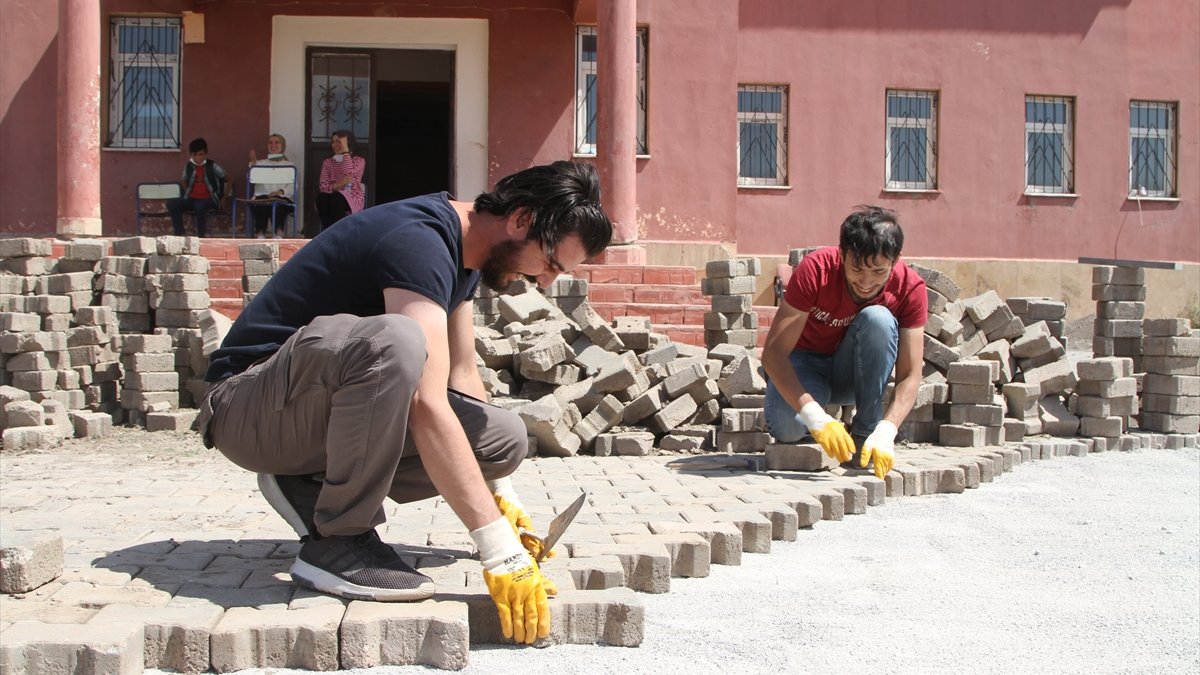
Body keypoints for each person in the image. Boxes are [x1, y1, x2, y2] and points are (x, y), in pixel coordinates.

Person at [196, 160, 612, 645]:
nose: (544, 282)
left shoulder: (465, 258)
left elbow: (460, 377)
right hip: (247, 409)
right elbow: (426, 402)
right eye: (551, 263)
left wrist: (501, 498)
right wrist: (498, 547)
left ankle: (306, 481)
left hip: (302, 411)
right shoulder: (418, 239)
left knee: (503, 439)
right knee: (396, 341)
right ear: (521, 220)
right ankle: (337, 542)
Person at [761, 205, 927, 480]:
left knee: (878, 319)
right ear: (841, 255)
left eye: (877, 272)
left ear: (895, 261)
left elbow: (910, 374)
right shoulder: (817, 269)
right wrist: (815, 416)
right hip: (806, 364)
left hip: (855, 374)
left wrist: (888, 429)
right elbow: (774, 354)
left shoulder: (909, 288)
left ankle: (865, 433)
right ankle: (822, 414)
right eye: (856, 268)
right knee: (787, 429)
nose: (865, 282)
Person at [167, 137, 227, 238]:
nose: (198, 158)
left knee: (199, 205)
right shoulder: (189, 166)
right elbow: (183, 179)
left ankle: (201, 237)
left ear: (205, 154)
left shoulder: (212, 165)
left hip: (210, 199)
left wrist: (223, 198)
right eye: (194, 155)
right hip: (193, 199)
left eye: (200, 155)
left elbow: (229, 179)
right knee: (172, 204)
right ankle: (180, 234)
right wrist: (188, 192)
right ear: (191, 155)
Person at [314, 129, 365, 233]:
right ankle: (328, 232)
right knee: (321, 198)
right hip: (332, 194)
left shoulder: (359, 160)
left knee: (337, 198)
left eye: (339, 142)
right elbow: (323, 185)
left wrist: (345, 152)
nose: (335, 144)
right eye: (333, 142)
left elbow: (349, 173)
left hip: (351, 196)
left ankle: (341, 232)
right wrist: (338, 185)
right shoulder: (328, 162)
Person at [246, 133, 295, 239]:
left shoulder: (290, 165)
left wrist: (280, 192)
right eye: (270, 142)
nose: (273, 145)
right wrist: (253, 162)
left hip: (281, 197)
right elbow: (250, 178)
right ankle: (260, 233)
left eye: (277, 142)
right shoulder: (259, 163)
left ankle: (279, 232)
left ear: (282, 146)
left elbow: (293, 186)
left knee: (277, 202)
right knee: (262, 202)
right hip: (262, 197)